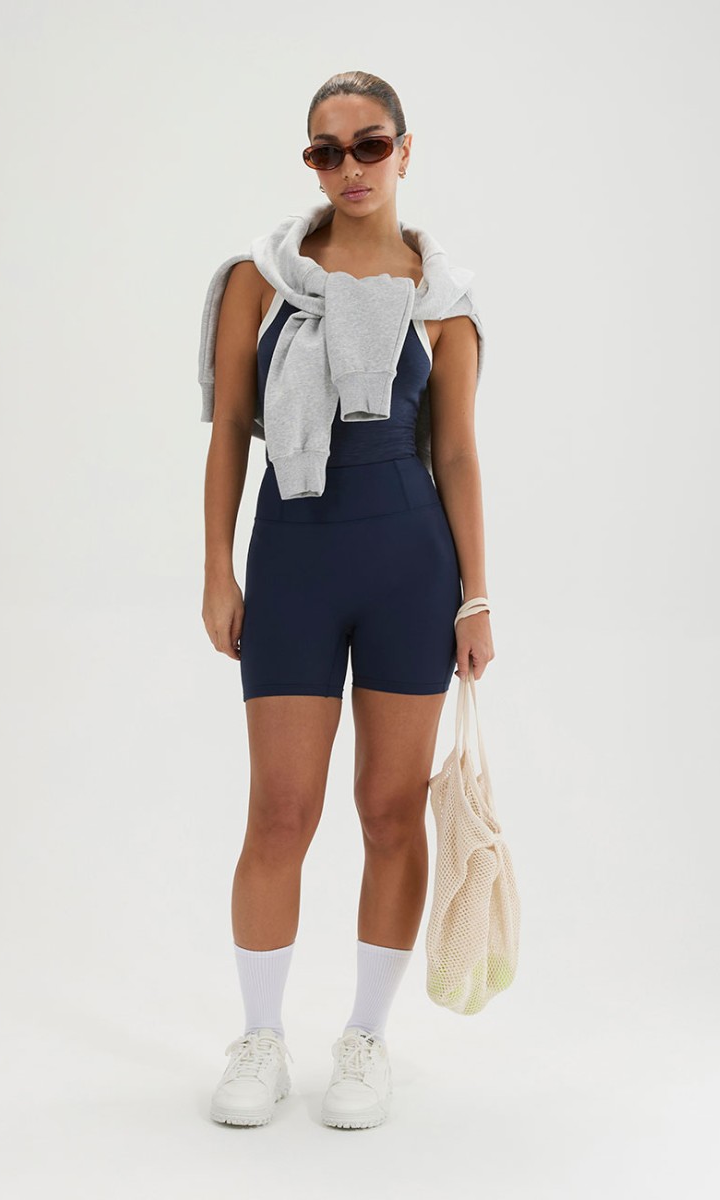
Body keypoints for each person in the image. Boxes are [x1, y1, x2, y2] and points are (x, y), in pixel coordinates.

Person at [200, 71, 494, 1129]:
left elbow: (455, 453)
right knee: (280, 812)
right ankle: (260, 1038)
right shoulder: (260, 281)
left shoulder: (441, 296)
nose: (351, 168)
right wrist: (218, 569)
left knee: (389, 811)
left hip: (411, 568)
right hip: (293, 560)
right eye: (327, 151)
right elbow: (231, 438)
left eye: (370, 145)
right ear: (311, 165)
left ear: (405, 150)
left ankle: (366, 1038)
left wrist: (476, 596)